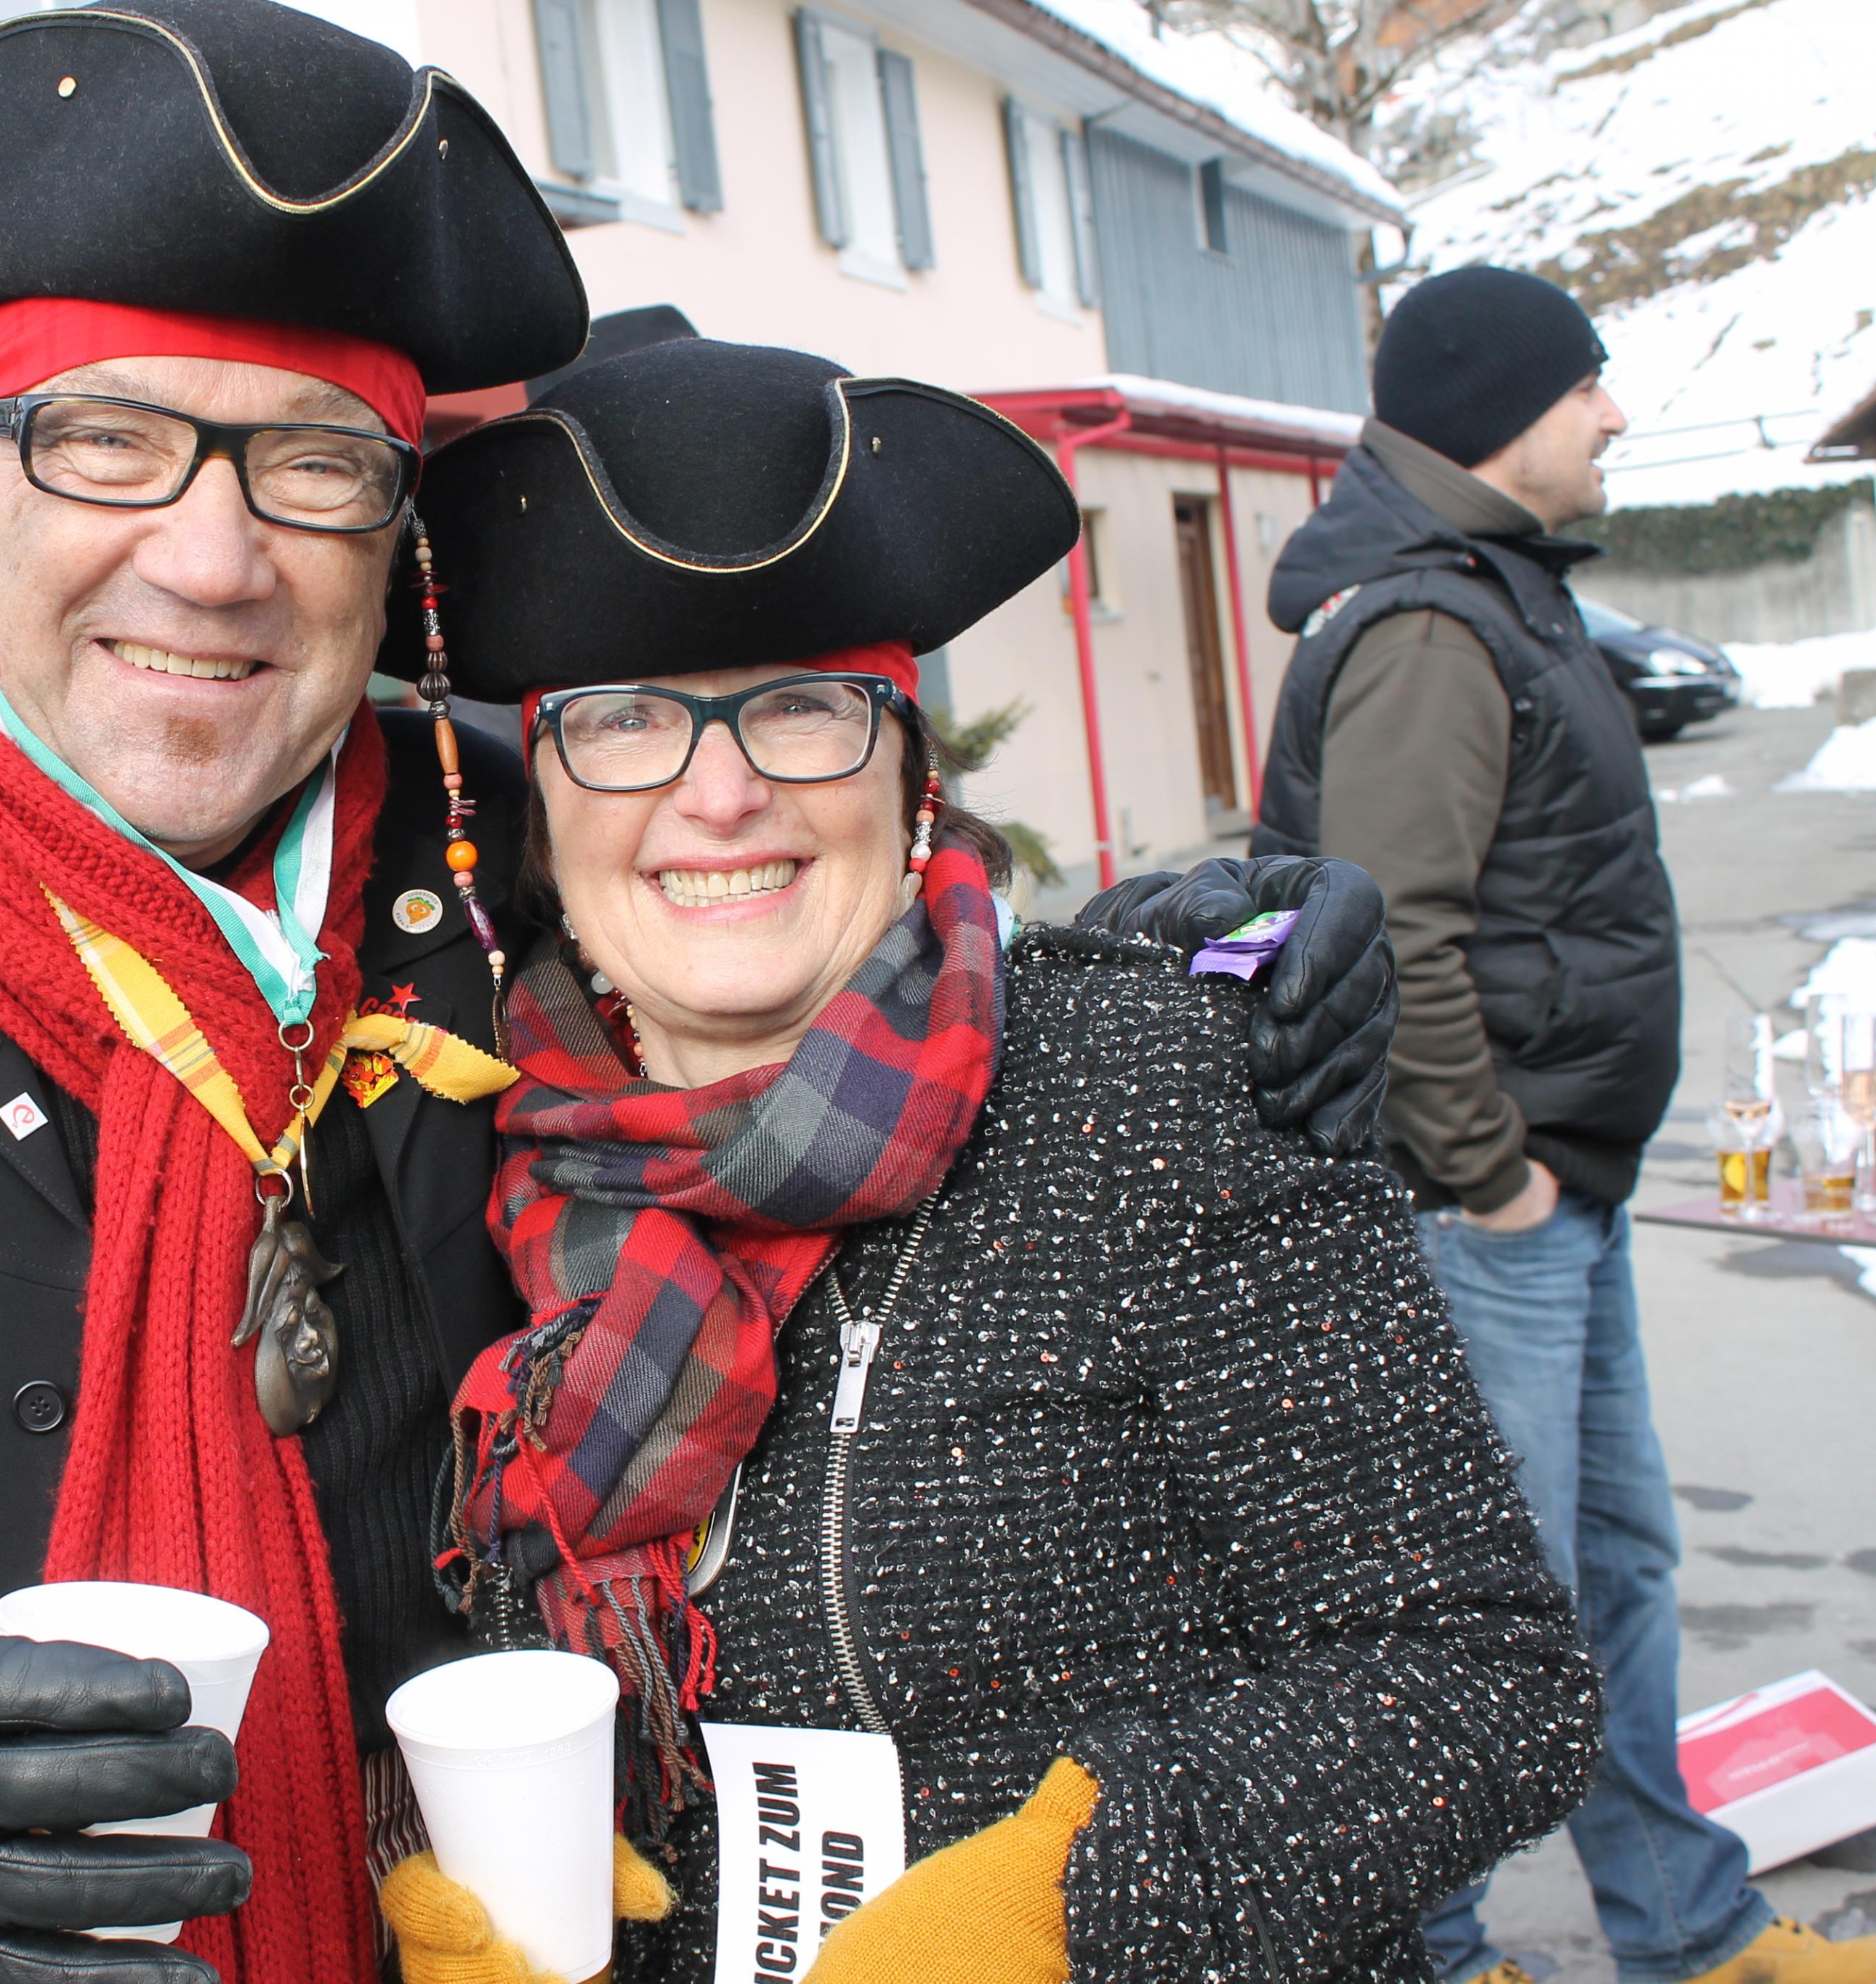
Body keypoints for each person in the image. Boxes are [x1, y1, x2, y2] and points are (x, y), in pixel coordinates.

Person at [0, 20, 1398, 1984]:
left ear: (392, 542)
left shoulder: (503, 848)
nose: (212, 555)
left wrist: (1192, 967)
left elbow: (817, 921)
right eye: (108, 441)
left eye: (314, 463)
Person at [374, 331, 1601, 1984]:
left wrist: (1068, 1904)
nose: (719, 795)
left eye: (801, 708)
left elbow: (1485, 1683)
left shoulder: (1151, 1087)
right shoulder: (466, 1135)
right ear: (540, 796)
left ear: (908, 769)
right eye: (624, 720)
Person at [1253, 266, 1876, 1984]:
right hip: (1471, 1209)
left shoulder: (1495, 591)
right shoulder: (1426, 628)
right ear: (1496, 411)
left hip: (1550, 1194)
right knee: (1482, 1610)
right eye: (1584, 386)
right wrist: (1490, 1176)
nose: (1612, 414)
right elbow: (1383, 931)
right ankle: (1428, 1949)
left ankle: (1689, 1929)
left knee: (1609, 1567)